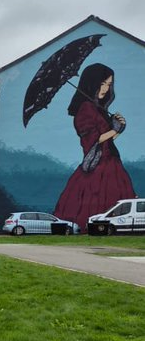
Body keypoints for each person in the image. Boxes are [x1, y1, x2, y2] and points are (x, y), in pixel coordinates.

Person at [53, 63, 134, 231]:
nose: (105, 88)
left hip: (112, 163)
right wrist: (114, 129)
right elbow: (94, 140)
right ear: (91, 83)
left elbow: (108, 141)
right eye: (102, 83)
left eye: (109, 84)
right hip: (98, 168)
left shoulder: (98, 108)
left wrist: (119, 128)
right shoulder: (85, 109)